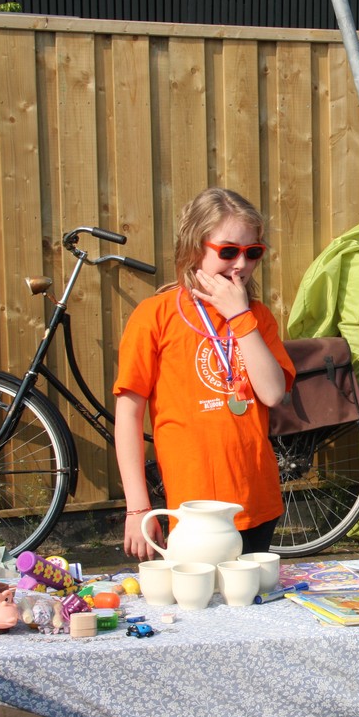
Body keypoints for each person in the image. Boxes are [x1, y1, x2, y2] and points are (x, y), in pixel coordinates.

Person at [113, 187, 295, 560]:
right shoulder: (154, 316)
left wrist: (240, 318)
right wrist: (138, 508)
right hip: (192, 511)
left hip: (256, 503)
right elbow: (128, 415)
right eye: (228, 251)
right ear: (195, 247)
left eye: (252, 253)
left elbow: (273, 393)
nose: (240, 264)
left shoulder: (257, 317)